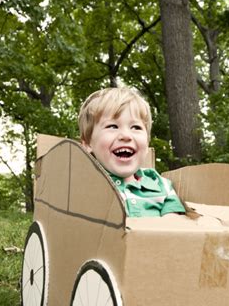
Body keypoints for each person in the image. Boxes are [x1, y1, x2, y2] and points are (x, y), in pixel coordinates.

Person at [78, 87, 186, 217]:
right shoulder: (83, 186)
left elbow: (174, 229)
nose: (126, 135)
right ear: (88, 144)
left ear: (147, 144)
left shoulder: (160, 184)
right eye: (112, 126)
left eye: (136, 127)